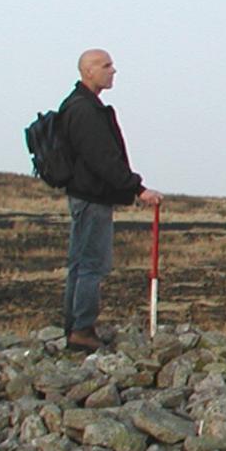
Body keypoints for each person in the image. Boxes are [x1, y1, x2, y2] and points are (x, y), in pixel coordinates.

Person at [58, 48, 161, 352]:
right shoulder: (84, 111)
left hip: (85, 196)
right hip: (92, 198)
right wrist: (138, 189)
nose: (112, 71)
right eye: (106, 65)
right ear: (88, 71)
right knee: (91, 264)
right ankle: (82, 329)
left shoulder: (79, 106)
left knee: (80, 264)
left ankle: (76, 326)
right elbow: (103, 160)